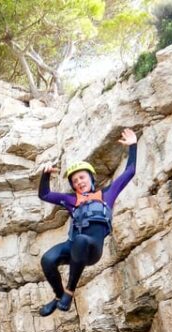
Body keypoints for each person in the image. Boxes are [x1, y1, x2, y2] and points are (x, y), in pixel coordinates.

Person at [36, 128, 138, 316]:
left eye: (82, 177)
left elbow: (130, 171)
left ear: (91, 178)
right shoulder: (71, 200)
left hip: (91, 249)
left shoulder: (107, 194)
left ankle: (69, 291)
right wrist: (45, 175)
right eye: (74, 181)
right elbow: (44, 194)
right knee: (47, 259)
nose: (79, 182)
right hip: (73, 246)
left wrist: (133, 146)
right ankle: (59, 296)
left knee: (82, 240)